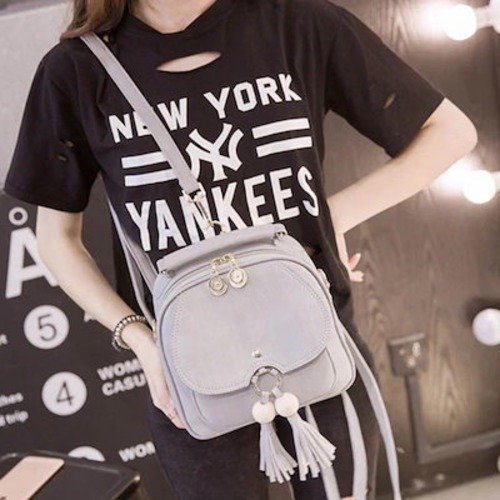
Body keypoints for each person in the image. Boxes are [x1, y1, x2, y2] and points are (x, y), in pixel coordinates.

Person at [3, 0, 477, 498]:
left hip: (316, 341)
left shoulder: (298, 25)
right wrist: (142, 342)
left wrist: (332, 216)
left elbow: (449, 133)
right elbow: (56, 239)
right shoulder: (76, 71)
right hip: (187, 369)